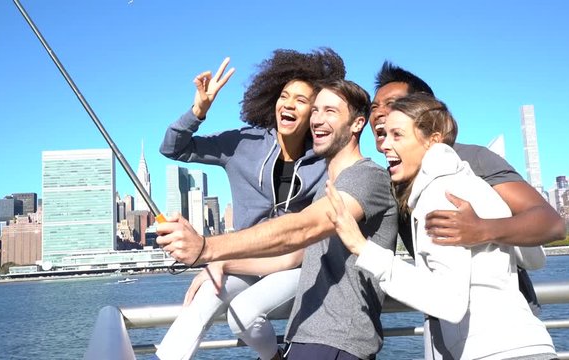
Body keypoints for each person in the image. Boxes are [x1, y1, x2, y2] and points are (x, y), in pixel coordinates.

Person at [157, 79, 398, 360]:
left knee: (246, 311)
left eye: (304, 101)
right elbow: (173, 148)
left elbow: (304, 231)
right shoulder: (242, 144)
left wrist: (207, 249)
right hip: (251, 261)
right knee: (205, 296)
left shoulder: (330, 164)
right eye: (284, 95)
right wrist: (198, 111)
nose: (291, 105)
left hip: (299, 271)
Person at [326, 93, 557, 360]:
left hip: (493, 352)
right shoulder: (476, 184)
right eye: (385, 134)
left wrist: (362, 248)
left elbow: (449, 302)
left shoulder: (438, 194)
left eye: (397, 135)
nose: (385, 145)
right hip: (532, 344)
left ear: (432, 141)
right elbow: (535, 258)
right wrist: (489, 228)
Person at [368, 61, 565, 312]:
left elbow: (552, 223)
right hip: (447, 326)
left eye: (392, 104)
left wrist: (484, 229)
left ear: (423, 110)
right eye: (374, 107)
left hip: (505, 329)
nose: (379, 113)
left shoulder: (471, 160)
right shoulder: (390, 182)